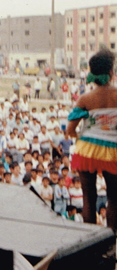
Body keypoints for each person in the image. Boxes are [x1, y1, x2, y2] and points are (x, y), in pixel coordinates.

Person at [67, 48, 117, 231]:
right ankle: (112, 242)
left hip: (87, 149)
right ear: (111, 73)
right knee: (114, 198)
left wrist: (82, 137)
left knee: (88, 197)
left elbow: (70, 130)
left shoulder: (85, 98)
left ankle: (89, 243)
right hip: (113, 151)